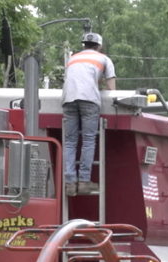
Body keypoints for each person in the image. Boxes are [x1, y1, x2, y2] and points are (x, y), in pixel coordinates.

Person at [62, 32, 116, 196]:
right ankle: (84, 182)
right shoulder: (104, 59)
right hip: (89, 100)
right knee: (88, 139)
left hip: (68, 99)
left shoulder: (72, 59)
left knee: (70, 142)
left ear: (83, 45)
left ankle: (70, 183)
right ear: (99, 46)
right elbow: (112, 89)